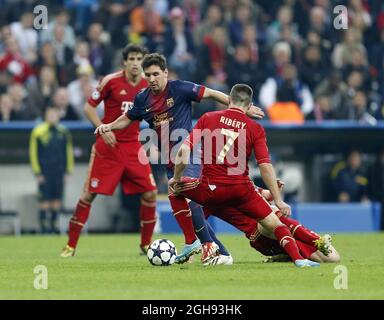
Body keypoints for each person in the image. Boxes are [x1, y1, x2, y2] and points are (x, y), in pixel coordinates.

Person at [95, 53, 265, 264]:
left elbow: (211, 93)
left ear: (165, 73)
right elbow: (128, 118)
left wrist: (240, 110)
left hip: (189, 152)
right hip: (170, 159)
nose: (152, 79)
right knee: (183, 202)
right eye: (148, 75)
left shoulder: (180, 88)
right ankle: (218, 251)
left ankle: (205, 245)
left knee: (189, 196)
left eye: (156, 74)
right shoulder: (142, 98)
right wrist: (109, 126)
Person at [169, 83, 320, 267]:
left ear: (228, 100)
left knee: (175, 190)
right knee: (276, 224)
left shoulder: (208, 118)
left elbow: (184, 150)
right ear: (249, 106)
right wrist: (278, 199)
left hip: (212, 189)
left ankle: (195, 241)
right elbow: (265, 166)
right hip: (242, 190)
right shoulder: (255, 128)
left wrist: (177, 178)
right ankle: (299, 260)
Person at [61, 44, 157, 257]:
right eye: (131, 58)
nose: (135, 63)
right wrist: (102, 129)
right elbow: (89, 107)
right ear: (124, 61)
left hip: (133, 146)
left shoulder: (147, 85)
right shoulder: (110, 81)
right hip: (108, 147)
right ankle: (70, 245)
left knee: (150, 193)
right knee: (89, 194)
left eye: (139, 59)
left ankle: (146, 244)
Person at [202, 183, 340, 264]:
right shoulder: (210, 193)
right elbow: (198, 221)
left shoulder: (239, 180)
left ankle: (287, 255)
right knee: (271, 211)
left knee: (333, 258)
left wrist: (275, 188)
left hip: (273, 231)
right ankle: (318, 241)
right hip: (259, 233)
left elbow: (266, 194)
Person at [29, 107, 74, 234]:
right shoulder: (38, 131)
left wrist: (68, 171)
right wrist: (37, 172)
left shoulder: (64, 132)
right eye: (50, 114)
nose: (52, 117)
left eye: (55, 114)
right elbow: (33, 153)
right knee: (44, 201)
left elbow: (68, 153)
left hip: (59, 172)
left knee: (57, 201)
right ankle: (44, 229)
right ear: (46, 116)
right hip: (45, 172)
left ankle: (54, 228)